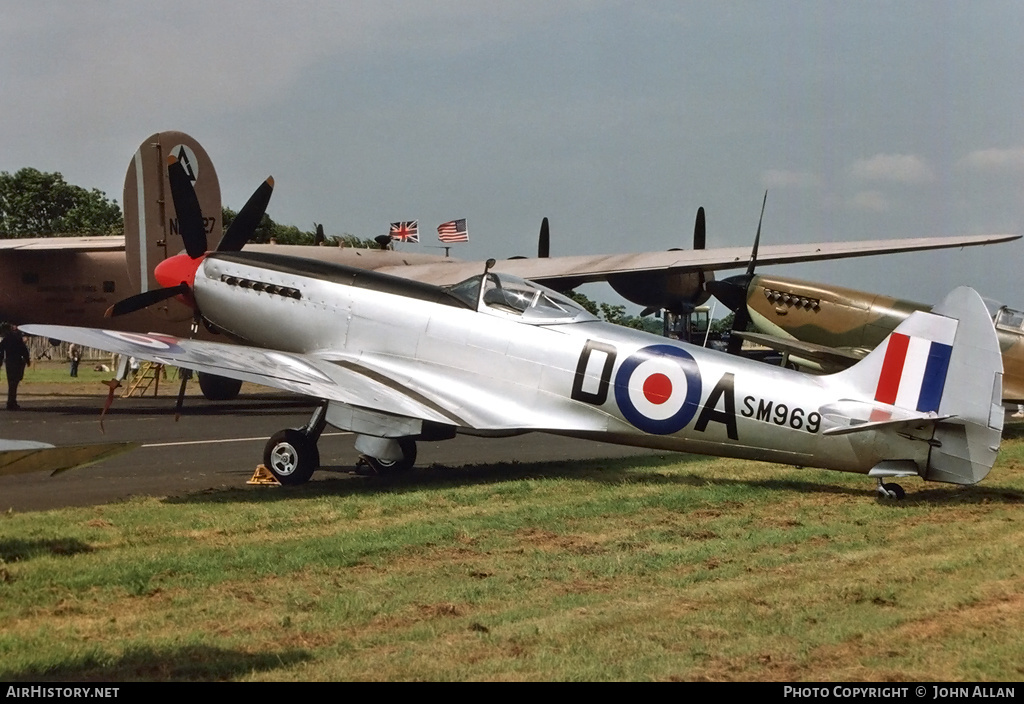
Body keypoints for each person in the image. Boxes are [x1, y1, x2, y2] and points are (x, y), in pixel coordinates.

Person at [0, 323, 31, 410]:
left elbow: (1, 349)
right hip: (16, 361)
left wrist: (1, 360)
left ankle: (11, 401)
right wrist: (27, 360)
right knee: (14, 382)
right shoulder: (17, 339)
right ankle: (11, 402)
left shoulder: (7, 339)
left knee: (12, 382)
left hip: (9, 362)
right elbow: (24, 350)